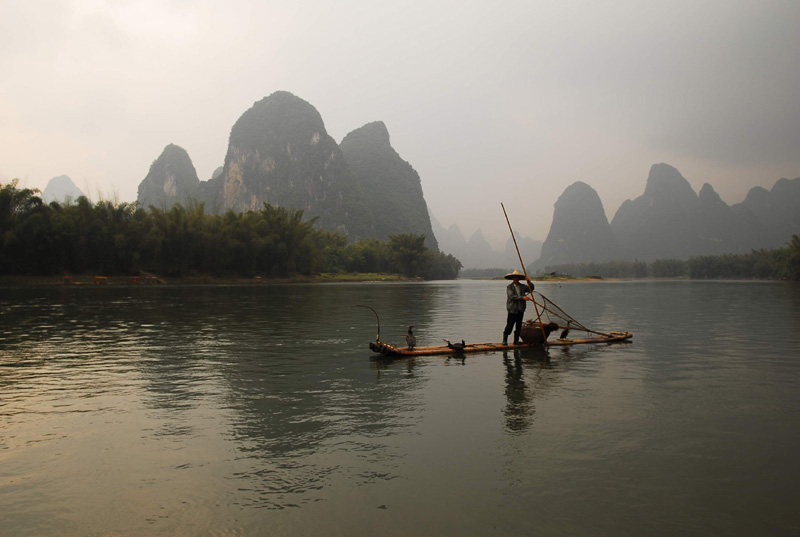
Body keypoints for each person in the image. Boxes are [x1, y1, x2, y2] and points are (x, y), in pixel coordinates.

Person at [502, 270, 533, 345]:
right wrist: (523, 297)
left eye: (517, 278)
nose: (516, 279)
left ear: (519, 278)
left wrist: (529, 281)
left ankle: (516, 341)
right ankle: (504, 340)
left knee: (518, 326)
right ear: (513, 278)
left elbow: (531, 288)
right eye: (515, 278)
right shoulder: (509, 287)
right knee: (510, 325)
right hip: (512, 309)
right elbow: (512, 297)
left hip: (520, 309)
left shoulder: (522, 286)